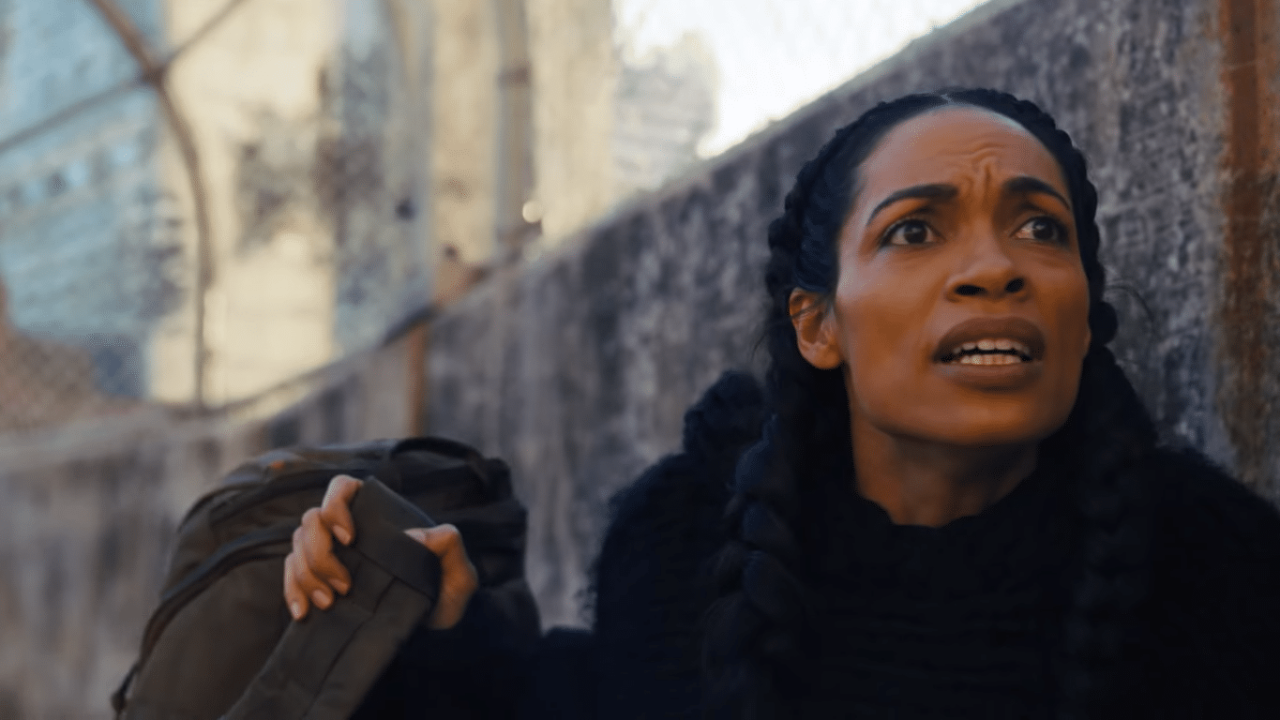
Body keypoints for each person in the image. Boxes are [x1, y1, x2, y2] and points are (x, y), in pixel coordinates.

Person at [283, 88, 1280, 718]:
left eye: (1039, 229)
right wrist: (436, 633)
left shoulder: (1215, 573)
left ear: (1083, 316)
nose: (995, 268)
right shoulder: (689, 548)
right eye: (915, 232)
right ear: (817, 326)